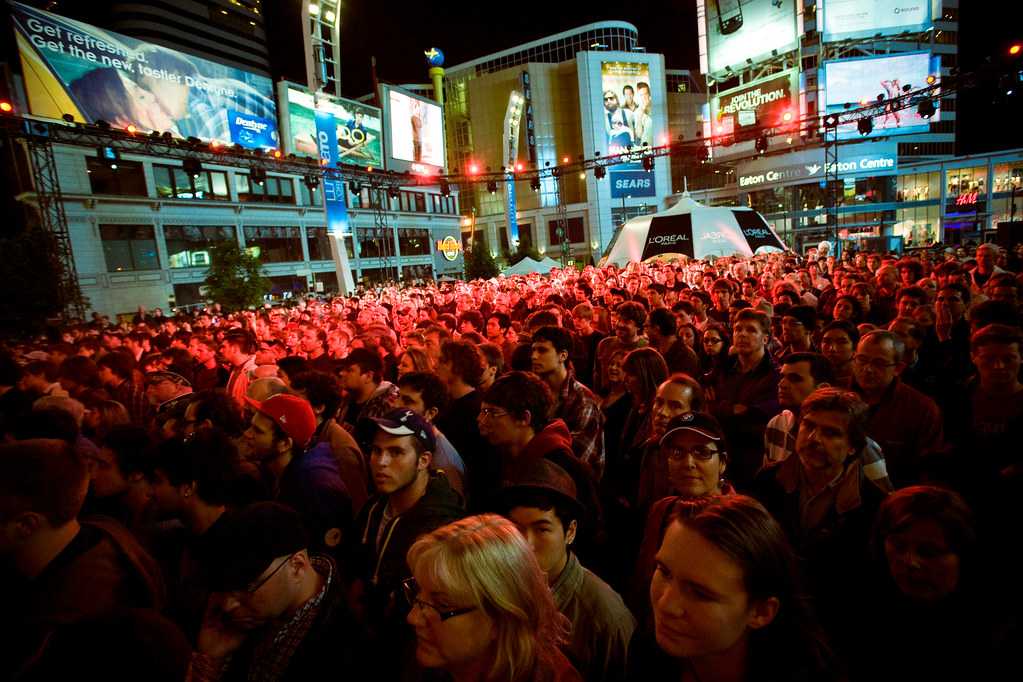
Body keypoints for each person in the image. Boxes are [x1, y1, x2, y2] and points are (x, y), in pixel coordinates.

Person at [1, 439, 166, 679]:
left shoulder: (79, 627)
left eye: (104, 465)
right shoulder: (108, 539)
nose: (95, 474)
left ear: (26, 525)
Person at [628, 495, 837, 681]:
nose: (665, 604)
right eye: (664, 572)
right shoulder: (648, 650)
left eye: (700, 593)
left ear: (761, 611)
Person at [752, 388, 887, 651]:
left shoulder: (873, 507)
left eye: (830, 433)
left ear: (852, 447)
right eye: (808, 426)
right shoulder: (767, 484)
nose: (814, 439)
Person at [190, 502, 367, 681]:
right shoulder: (237, 623)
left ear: (297, 566)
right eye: (225, 590)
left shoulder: (346, 642)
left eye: (246, 588)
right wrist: (211, 660)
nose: (228, 605)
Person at [349, 408, 465, 677]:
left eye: (396, 452)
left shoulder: (441, 531)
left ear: (423, 460)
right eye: (376, 451)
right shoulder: (376, 507)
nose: (381, 462)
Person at [498, 459, 636, 682]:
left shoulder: (603, 615)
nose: (527, 543)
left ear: (570, 532)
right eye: (517, 529)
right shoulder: (497, 586)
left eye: (542, 529)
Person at [858, 486, 1012, 681]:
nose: (911, 562)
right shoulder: (865, 611)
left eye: (929, 551)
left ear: (963, 556)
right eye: (898, 545)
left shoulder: (994, 630)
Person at [405, 514, 583, 682]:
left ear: (503, 616)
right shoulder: (428, 666)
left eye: (442, 605)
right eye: (418, 594)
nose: (413, 618)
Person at [479, 372, 602, 550]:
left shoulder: (563, 467)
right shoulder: (499, 455)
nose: (481, 420)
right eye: (482, 411)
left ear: (524, 418)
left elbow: (587, 532)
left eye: (491, 413)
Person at [242, 393, 352, 552]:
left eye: (257, 431)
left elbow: (321, 558)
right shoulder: (270, 469)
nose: (247, 434)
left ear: (285, 444)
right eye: (250, 426)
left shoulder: (316, 490)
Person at [851, 330, 943, 487]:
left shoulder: (920, 409)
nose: (868, 369)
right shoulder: (838, 395)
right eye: (862, 360)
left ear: (898, 368)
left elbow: (929, 468)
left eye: (879, 363)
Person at [706, 309, 780, 491]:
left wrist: (718, 407)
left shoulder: (774, 376)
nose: (742, 334)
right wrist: (732, 410)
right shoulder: (723, 368)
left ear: (765, 338)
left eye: (751, 330)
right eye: (738, 329)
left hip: (750, 465)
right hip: (718, 456)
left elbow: (756, 421)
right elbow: (705, 403)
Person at [532, 326, 606, 477]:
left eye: (542, 350)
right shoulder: (533, 392)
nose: (534, 356)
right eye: (533, 350)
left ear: (563, 355)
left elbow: (576, 461)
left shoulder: (582, 400)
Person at [433, 340, 492, 508]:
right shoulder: (448, 403)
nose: (435, 366)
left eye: (442, 361)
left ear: (458, 367)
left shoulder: (476, 410)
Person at [396, 371, 468, 497]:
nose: (397, 405)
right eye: (398, 397)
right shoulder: (413, 439)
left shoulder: (443, 462)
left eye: (407, 401)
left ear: (431, 413)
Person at [336, 347, 399, 444]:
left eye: (349, 370)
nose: (341, 373)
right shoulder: (348, 399)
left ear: (369, 376)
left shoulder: (385, 407)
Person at [594, 302, 648, 394]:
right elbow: (597, 374)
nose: (620, 324)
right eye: (619, 320)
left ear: (638, 326)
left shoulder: (645, 349)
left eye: (627, 322)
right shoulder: (604, 344)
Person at [645, 308, 700, 377]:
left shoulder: (685, 356)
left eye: (647, 327)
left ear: (656, 329)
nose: (645, 331)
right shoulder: (655, 353)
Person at [219, 329, 258, 408]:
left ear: (234, 349)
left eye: (224, 347)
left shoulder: (253, 372)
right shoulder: (236, 368)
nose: (220, 351)